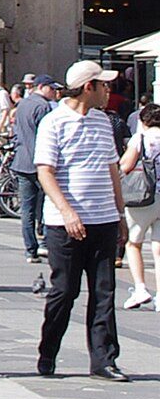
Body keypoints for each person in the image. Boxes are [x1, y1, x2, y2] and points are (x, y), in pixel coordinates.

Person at [36, 59, 128, 380]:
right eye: (104, 85)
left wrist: (120, 214)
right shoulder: (54, 122)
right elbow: (45, 171)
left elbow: (112, 169)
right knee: (65, 290)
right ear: (89, 87)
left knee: (104, 291)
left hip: (102, 218)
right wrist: (66, 211)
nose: (108, 91)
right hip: (66, 224)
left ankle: (104, 360)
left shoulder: (104, 122)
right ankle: (48, 351)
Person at [118, 100, 160, 308]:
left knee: (134, 243)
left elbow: (125, 165)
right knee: (159, 247)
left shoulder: (140, 138)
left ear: (143, 121)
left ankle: (141, 289)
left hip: (143, 197)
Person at [12, 75, 58, 263]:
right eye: (52, 89)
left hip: (22, 160)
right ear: (42, 87)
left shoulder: (22, 104)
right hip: (39, 161)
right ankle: (46, 243)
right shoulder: (43, 107)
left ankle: (30, 249)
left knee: (27, 209)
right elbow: (45, 135)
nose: (55, 93)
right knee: (48, 203)